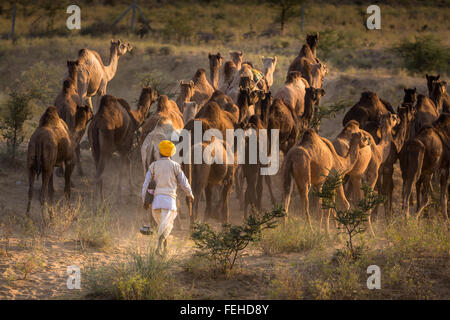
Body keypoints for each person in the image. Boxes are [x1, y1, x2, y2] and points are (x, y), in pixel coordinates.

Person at [141, 140, 194, 255]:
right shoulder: (175, 166)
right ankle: (159, 247)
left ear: (159, 152)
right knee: (167, 227)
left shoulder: (153, 166)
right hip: (169, 203)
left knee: (162, 226)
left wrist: (144, 199)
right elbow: (184, 182)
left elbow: (146, 183)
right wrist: (190, 194)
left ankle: (164, 249)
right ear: (171, 154)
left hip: (156, 203)